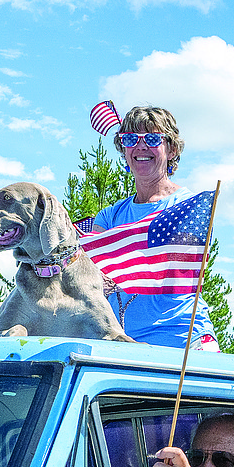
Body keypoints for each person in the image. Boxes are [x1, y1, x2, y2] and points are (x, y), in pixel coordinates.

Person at [85, 106, 220, 349]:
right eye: (130, 139)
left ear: (172, 149)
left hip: (184, 342)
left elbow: (177, 266)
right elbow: (92, 273)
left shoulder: (189, 208)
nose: (141, 146)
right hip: (124, 343)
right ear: (123, 150)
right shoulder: (108, 216)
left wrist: (116, 266)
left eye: (152, 138)